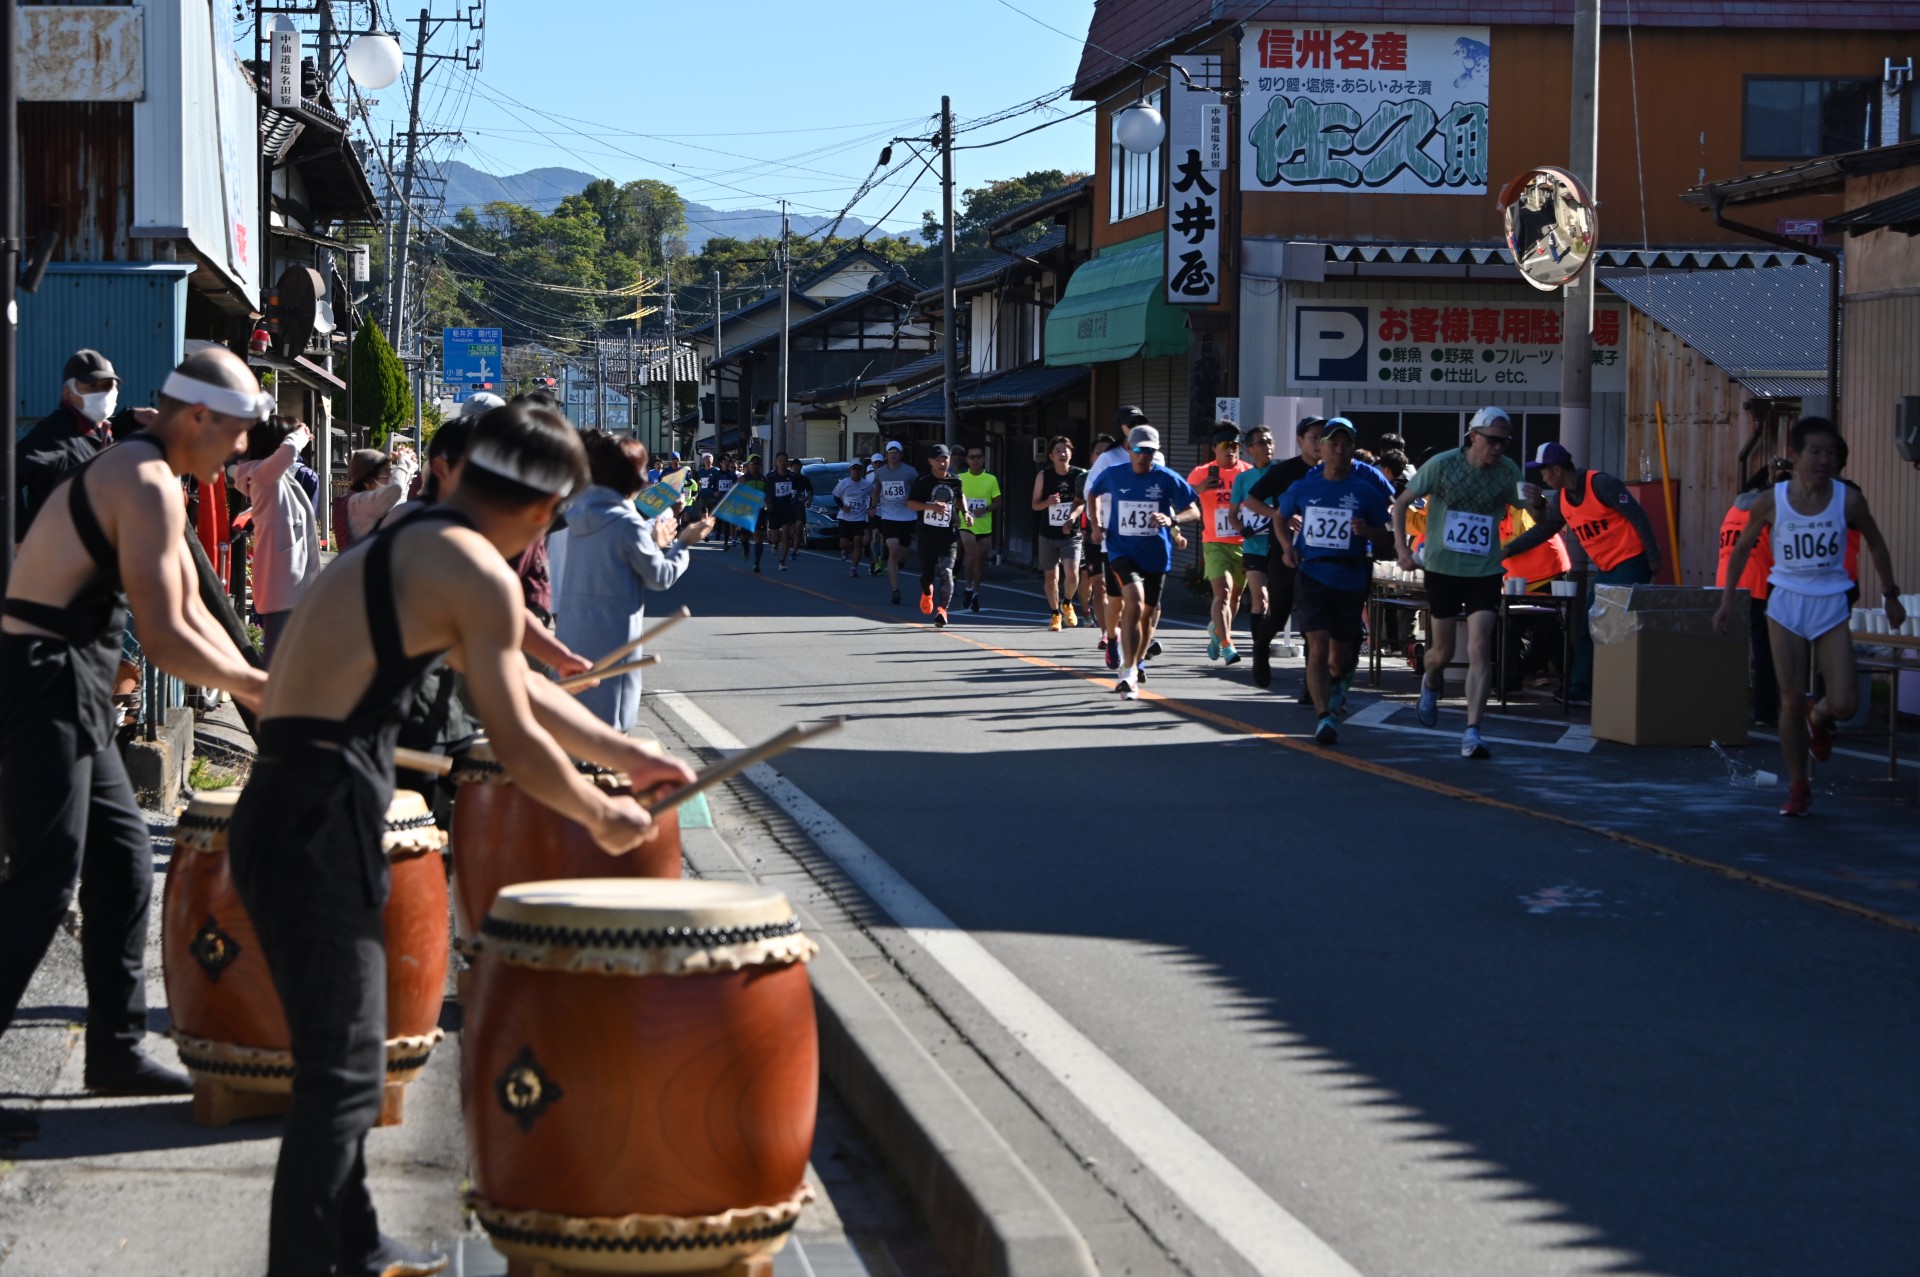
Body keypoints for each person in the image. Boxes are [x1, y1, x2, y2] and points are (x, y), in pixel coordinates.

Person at [229, 402, 693, 1276]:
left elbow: (511, 680)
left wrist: (624, 752)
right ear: (542, 504)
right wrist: (602, 814)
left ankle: (354, 1243)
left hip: (293, 807)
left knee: (346, 1058)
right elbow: (514, 733)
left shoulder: (415, 536)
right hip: (317, 817)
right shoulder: (469, 566)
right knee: (340, 1079)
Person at [0, 349, 273, 1145]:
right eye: (235, 434)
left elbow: (191, 612)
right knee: (45, 880)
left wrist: (254, 673)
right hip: (41, 677)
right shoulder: (145, 479)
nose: (238, 452)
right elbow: (162, 636)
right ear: (197, 417)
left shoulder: (156, 474)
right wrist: (258, 689)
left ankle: (114, 1049)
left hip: (73, 678)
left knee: (120, 860)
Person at [1715, 417, 1904, 817]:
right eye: (1815, 452)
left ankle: (1817, 716)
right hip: (1785, 603)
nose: (1824, 460)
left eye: (1831, 453)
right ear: (1796, 456)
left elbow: (1877, 546)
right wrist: (1728, 601)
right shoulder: (1771, 501)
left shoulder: (1847, 500)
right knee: (1787, 699)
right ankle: (1798, 784)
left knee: (1846, 703)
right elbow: (1742, 549)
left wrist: (1890, 596)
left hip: (1830, 602)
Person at [1391, 407, 1525, 759]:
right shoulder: (1442, 464)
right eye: (1492, 440)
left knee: (1481, 647)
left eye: (1504, 442)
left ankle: (1473, 731)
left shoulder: (1508, 472)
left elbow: (1532, 510)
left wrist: (1539, 503)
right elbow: (1401, 504)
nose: (1498, 448)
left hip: (1485, 569)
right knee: (1443, 653)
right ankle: (1431, 680)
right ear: (1473, 436)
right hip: (1443, 568)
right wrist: (1402, 549)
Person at [556, 432, 711, 732]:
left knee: (571, 723)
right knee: (610, 729)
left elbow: (611, 561)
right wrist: (684, 543)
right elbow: (660, 576)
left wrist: (653, 541)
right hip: (613, 638)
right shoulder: (627, 523)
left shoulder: (577, 513)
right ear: (635, 478)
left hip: (571, 632)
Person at [1500, 441, 1663, 706]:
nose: (1542, 478)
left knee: (1620, 628)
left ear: (1556, 469)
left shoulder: (1601, 484)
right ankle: (1580, 688)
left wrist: (1653, 556)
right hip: (1607, 567)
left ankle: (1623, 687)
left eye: (1544, 472)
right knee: (1590, 625)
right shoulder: (1563, 498)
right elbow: (1545, 529)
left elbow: (1637, 516)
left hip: (1631, 561)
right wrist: (1509, 549)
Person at [1276, 418, 1393, 744]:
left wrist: (1367, 532)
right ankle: (1324, 716)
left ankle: (1339, 679)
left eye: (1345, 444)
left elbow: (1387, 533)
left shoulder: (1365, 490)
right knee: (1317, 645)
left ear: (1351, 448)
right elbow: (1279, 517)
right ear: (1321, 448)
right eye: (1332, 443)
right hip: (1312, 573)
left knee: (1340, 655)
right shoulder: (1305, 486)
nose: (1339, 450)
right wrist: (1287, 548)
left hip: (1351, 574)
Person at [1084, 424, 1200, 699]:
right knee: (1132, 601)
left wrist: (1171, 520)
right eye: (1138, 450)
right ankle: (1128, 670)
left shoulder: (1167, 478)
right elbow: (1092, 493)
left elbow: (1194, 510)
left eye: (1149, 451)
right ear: (1129, 449)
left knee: (1148, 614)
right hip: (1121, 551)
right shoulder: (1114, 474)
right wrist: (1096, 524)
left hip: (1155, 555)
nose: (1143, 455)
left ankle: (1135, 664)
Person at [1243, 416, 1326, 700]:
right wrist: (1281, 516)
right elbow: (1251, 500)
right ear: (1300, 441)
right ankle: (1260, 649)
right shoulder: (1285, 470)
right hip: (1284, 552)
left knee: (1312, 620)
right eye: (1314, 437)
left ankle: (1310, 683)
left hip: (1320, 557)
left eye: (1324, 438)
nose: (1320, 444)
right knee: (1278, 614)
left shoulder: (1336, 472)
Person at [13, 349, 130, 540]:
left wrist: (130, 418)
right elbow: (8, 475)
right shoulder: (53, 436)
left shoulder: (103, 431)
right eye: (92, 387)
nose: (103, 394)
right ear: (68, 393)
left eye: (108, 385)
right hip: (58, 559)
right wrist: (19, 535)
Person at [234, 416, 322, 663]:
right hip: (283, 577)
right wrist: (300, 433)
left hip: (289, 577)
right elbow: (290, 451)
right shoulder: (263, 475)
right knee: (280, 657)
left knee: (288, 654)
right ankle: (272, 700)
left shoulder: (269, 476)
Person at [1717, 460, 1789, 725]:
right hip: (1759, 585)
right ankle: (1764, 713)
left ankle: (1721, 707)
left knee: (1730, 652)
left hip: (1728, 585)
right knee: (1765, 654)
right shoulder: (1768, 509)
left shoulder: (1733, 510)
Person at [1188, 424, 1253, 665]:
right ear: (1214, 448)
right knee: (1222, 593)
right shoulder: (1202, 472)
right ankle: (1227, 644)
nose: (1230, 451)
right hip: (1214, 541)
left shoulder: (1247, 472)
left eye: (1235, 446)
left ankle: (1217, 631)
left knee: (1235, 597)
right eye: (1225, 446)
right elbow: (1184, 497)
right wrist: (1200, 488)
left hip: (1243, 541)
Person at [1230, 426, 1277, 687]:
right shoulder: (1243, 479)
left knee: (1276, 603)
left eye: (1270, 442)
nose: (1267, 446)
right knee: (1260, 598)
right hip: (1253, 547)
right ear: (1249, 450)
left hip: (1279, 545)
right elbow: (1232, 515)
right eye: (1261, 443)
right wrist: (1242, 528)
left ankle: (1264, 643)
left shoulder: (1281, 474)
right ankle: (1260, 652)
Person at [905, 444, 967, 628]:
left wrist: (967, 513)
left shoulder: (955, 481)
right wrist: (931, 507)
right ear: (931, 461)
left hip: (948, 534)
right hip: (926, 534)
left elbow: (959, 497)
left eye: (945, 459)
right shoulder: (923, 481)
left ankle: (943, 610)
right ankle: (926, 592)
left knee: (947, 571)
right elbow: (911, 504)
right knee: (927, 574)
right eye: (938, 460)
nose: (942, 463)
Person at [1031, 436, 1086, 632]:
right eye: (1058, 451)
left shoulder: (1080, 475)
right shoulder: (1044, 476)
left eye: (1065, 450)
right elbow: (1035, 505)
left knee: (1072, 572)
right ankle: (1055, 614)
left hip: (1071, 533)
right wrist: (1048, 502)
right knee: (1051, 578)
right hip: (1047, 533)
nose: (1062, 454)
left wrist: (1071, 518)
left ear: (1071, 453)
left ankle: (1068, 602)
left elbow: (1083, 503)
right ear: (1051, 456)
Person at [337, 444, 419, 548]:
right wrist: (403, 463)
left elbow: (398, 498)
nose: (390, 478)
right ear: (367, 480)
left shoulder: (357, 501)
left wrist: (409, 468)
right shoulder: (358, 502)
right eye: (387, 473)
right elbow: (396, 489)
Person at [1076, 434, 1116, 644]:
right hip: (1094, 538)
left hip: (1118, 539)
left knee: (1117, 587)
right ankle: (1105, 633)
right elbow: (1078, 504)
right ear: (1092, 456)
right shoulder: (1084, 479)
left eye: (1107, 453)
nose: (1103, 457)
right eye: (1098, 453)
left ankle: (1117, 627)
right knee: (1099, 586)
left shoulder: (1123, 475)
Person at [872, 441, 918, 604]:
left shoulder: (910, 471)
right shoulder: (880, 472)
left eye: (896, 452)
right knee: (892, 548)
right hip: (888, 516)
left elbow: (919, 488)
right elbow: (876, 489)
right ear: (886, 455)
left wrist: (911, 496)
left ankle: (899, 564)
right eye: (890, 452)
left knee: (902, 555)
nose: (893, 454)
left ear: (901, 454)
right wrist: (873, 506)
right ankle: (895, 590)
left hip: (908, 517)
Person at [957, 447, 1001, 613]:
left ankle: (975, 593)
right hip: (966, 524)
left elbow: (998, 502)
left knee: (980, 561)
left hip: (984, 526)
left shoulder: (991, 479)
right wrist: (958, 514)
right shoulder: (960, 478)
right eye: (972, 457)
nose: (975, 460)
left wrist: (987, 509)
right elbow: (955, 501)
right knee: (971, 555)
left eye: (978, 457)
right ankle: (968, 588)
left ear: (983, 459)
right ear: (967, 460)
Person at [833, 459, 876, 577]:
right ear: (850, 470)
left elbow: (873, 496)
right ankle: (845, 549)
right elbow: (836, 497)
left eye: (858, 469)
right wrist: (842, 507)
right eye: (854, 469)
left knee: (858, 542)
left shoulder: (867, 484)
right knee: (843, 543)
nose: (856, 471)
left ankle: (853, 567)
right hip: (845, 517)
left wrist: (871, 507)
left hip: (859, 517)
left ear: (862, 471)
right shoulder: (844, 483)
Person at [734, 455, 770, 570]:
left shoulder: (763, 479)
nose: (756, 466)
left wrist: (769, 504)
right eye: (753, 464)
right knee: (745, 537)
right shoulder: (742, 479)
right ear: (749, 465)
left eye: (758, 464)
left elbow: (767, 494)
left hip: (759, 510)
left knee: (758, 535)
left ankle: (757, 563)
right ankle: (746, 549)